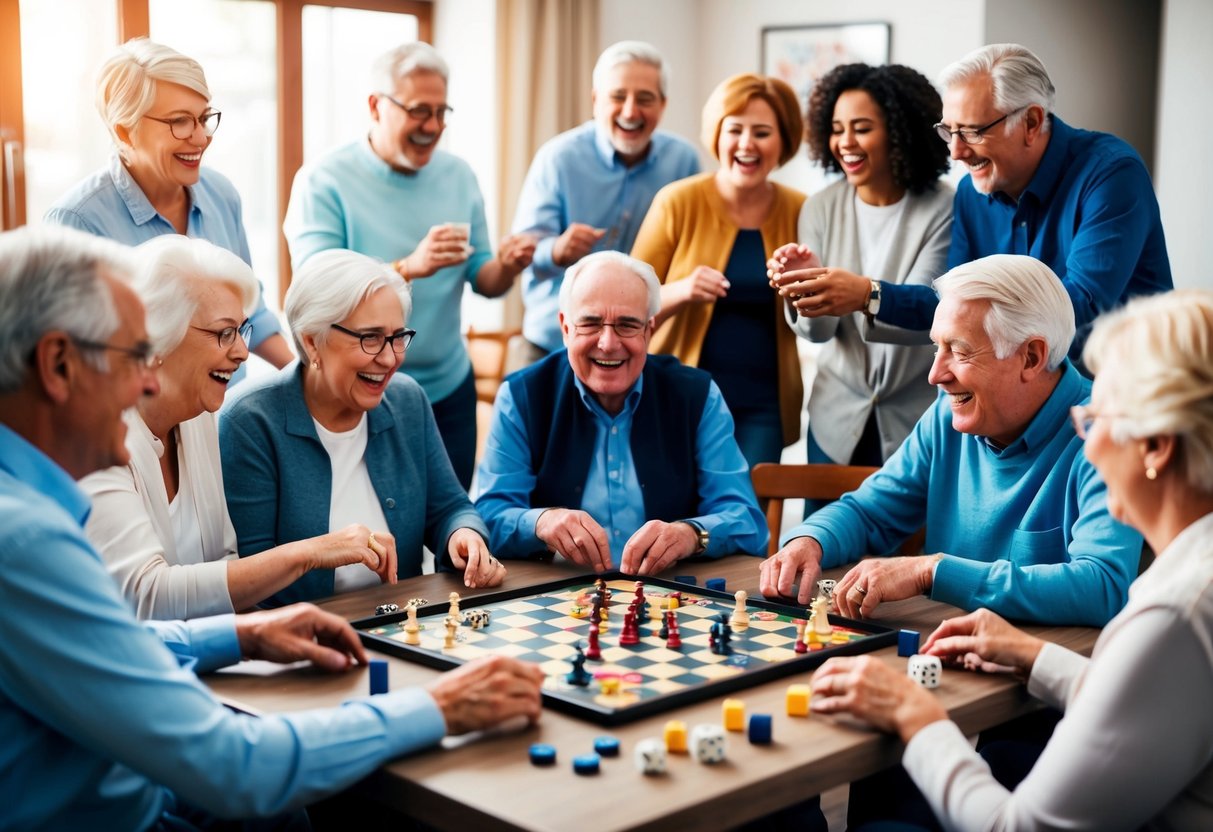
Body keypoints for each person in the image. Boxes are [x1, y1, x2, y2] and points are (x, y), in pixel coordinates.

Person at [0, 224, 544, 830]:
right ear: (56, 364)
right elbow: (235, 767)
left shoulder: (30, 509)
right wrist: (438, 707)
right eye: (132, 357)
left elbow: (112, 646)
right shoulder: (24, 541)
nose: (147, 384)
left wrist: (242, 635)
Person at [809, 288, 1213, 831]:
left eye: (1096, 418)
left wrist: (916, 715)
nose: (1087, 443)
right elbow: (1146, 704)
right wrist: (1033, 656)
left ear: (1157, 446)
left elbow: (1016, 827)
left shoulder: (1175, 614)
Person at [759, 254, 1141, 626]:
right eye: (936, 348)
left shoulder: (1105, 429)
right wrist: (811, 540)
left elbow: (1103, 586)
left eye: (958, 351)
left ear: (1031, 357)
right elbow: (869, 511)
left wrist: (931, 571)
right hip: (948, 654)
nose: (936, 375)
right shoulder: (948, 415)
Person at [82, 236, 399, 620]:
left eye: (241, 331)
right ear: (157, 336)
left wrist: (261, 638)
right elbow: (144, 595)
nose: (242, 352)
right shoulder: (95, 437)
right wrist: (312, 552)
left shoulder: (199, 416)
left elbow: (225, 559)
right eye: (224, 333)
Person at [283, 41, 536, 489]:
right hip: (360, 389)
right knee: (379, 533)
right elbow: (315, 290)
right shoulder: (324, 179)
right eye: (420, 111)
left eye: (442, 112)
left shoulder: (459, 175)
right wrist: (407, 266)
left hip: (448, 389)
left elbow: (484, 278)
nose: (433, 126)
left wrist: (509, 265)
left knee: (453, 526)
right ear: (376, 106)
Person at [220, 249, 505, 606]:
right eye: (370, 338)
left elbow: (449, 507)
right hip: (301, 640)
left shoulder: (407, 401)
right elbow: (247, 576)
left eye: (398, 336)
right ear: (311, 341)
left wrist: (463, 535)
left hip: (405, 627)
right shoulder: (250, 420)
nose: (389, 359)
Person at [869, 43, 1171, 364]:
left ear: (1031, 122)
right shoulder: (971, 193)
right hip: (1029, 389)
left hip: (1127, 387)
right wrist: (869, 294)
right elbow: (952, 298)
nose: (955, 152)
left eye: (971, 132)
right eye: (949, 131)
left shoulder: (1111, 172)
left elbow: (1078, 304)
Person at [475, 251, 767, 574]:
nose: (608, 343)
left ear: (649, 331)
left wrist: (690, 534)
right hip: (554, 601)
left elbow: (747, 521)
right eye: (590, 322)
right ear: (565, 328)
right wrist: (542, 521)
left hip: (668, 603)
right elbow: (489, 514)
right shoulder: (521, 396)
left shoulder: (697, 396)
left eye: (627, 325)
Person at [44, 37, 293, 384]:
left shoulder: (221, 195)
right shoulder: (76, 222)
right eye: (180, 121)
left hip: (228, 419)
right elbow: (80, 364)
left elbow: (252, 312)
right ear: (125, 131)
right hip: (146, 432)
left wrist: (305, 376)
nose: (201, 137)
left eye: (204, 118)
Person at [767, 63, 953, 470]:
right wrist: (803, 288)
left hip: (916, 422)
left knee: (911, 535)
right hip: (834, 420)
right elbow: (817, 335)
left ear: (901, 132)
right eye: (836, 128)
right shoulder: (819, 208)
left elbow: (930, 313)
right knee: (823, 532)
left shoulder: (945, 208)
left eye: (862, 128)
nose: (845, 142)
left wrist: (860, 294)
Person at [631, 73, 805, 468]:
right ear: (717, 135)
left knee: (749, 518)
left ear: (783, 141)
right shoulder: (677, 201)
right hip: (680, 394)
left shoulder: (800, 208)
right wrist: (683, 289)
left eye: (762, 132)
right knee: (676, 518)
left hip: (764, 403)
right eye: (735, 129)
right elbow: (628, 298)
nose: (746, 144)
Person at [509, 40, 701, 369]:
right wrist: (557, 250)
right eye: (618, 96)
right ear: (596, 100)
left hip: (639, 348)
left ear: (663, 105)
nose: (630, 111)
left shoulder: (683, 162)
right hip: (552, 343)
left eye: (645, 99)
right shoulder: (558, 158)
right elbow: (522, 253)